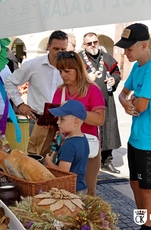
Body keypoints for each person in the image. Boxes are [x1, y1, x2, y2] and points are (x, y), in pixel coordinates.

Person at [116, 23, 151, 230]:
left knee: (148, 190)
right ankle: (142, 224)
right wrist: (125, 102)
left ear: (144, 45)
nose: (126, 53)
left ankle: (149, 227)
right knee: (135, 185)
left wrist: (130, 101)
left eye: (129, 49)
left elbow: (141, 105)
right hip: (136, 138)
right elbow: (124, 93)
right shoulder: (138, 67)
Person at [52, 51, 105, 196]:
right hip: (65, 147)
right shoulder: (60, 91)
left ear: (78, 70)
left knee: (87, 192)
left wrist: (75, 111)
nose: (63, 75)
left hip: (87, 149)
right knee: (62, 190)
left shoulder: (92, 90)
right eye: (60, 71)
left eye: (67, 71)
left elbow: (100, 119)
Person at [4, 30, 68, 135]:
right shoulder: (33, 65)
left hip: (64, 120)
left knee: (64, 151)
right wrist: (20, 104)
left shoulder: (70, 67)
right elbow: (9, 82)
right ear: (48, 46)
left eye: (63, 49)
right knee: (36, 152)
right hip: (38, 120)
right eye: (56, 49)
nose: (59, 52)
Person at [79, 32, 122, 174]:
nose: (93, 45)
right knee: (88, 130)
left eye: (95, 42)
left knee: (108, 129)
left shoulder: (107, 57)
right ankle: (86, 161)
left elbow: (116, 72)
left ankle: (106, 161)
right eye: (89, 43)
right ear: (84, 45)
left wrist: (114, 80)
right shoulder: (79, 59)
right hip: (87, 101)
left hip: (106, 100)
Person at [44, 100, 89, 194]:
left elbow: (62, 173)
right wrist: (64, 141)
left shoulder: (70, 145)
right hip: (80, 186)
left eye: (62, 119)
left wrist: (48, 163)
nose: (57, 122)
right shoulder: (82, 139)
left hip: (70, 190)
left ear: (76, 122)